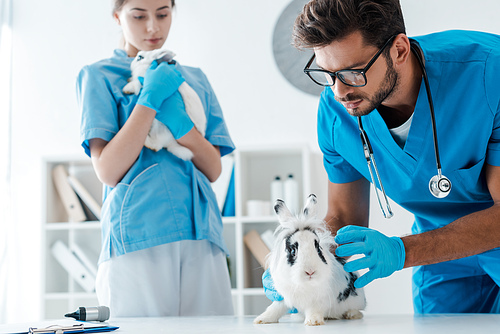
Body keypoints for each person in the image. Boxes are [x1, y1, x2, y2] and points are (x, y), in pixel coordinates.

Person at [263, 0, 500, 314]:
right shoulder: (336, 112)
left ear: (399, 50)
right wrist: (301, 258)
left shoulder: (487, 74)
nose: (339, 91)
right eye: (327, 73)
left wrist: (402, 252)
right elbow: (346, 216)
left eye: (352, 72)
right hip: (440, 252)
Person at [76, 0, 234, 317]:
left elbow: (214, 168)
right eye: (139, 15)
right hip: (138, 235)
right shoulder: (99, 76)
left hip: (201, 232)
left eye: (163, 14)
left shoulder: (195, 78)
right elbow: (108, 170)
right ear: (117, 16)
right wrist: (148, 101)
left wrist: (181, 126)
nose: (153, 27)